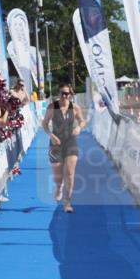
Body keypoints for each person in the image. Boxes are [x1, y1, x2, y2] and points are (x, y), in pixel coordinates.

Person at [41, 83, 87, 214]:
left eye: (67, 93)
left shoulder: (75, 107)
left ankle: (67, 202)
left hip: (70, 142)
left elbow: (83, 121)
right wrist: (51, 135)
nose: (64, 96)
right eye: (62, 93)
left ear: (71, 95)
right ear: (58, 93)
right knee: (58, 175)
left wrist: (79, 127)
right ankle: (59, 187)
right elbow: (44, 124)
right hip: (55, 143)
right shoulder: (52, 107)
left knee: (70, 173)